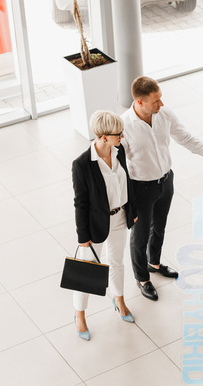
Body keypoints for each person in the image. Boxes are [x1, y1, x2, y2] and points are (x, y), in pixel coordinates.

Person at [121, 76, 203, 301]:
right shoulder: (124, 126)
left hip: (165, 181)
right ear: (139, 102)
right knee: (140, 235)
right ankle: (142, 278)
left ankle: (154, 263)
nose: (161, 104)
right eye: (156, 101)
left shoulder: (164, 115)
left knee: (160, 227)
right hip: (140, 189)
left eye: (161, 98)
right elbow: (118, 165)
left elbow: (186, 138)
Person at [71, 110, 138, 340]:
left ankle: (118, 299)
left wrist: (133, 210)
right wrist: (82, 236)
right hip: (95, 223)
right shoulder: (82, 165)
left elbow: (128, 182)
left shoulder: (118, 152)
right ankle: (79, 314)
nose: (122, 136)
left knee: (117, 262)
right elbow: (80, 203)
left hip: (120, 217)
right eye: (118, 133)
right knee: (87, 270)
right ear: (102, 137)